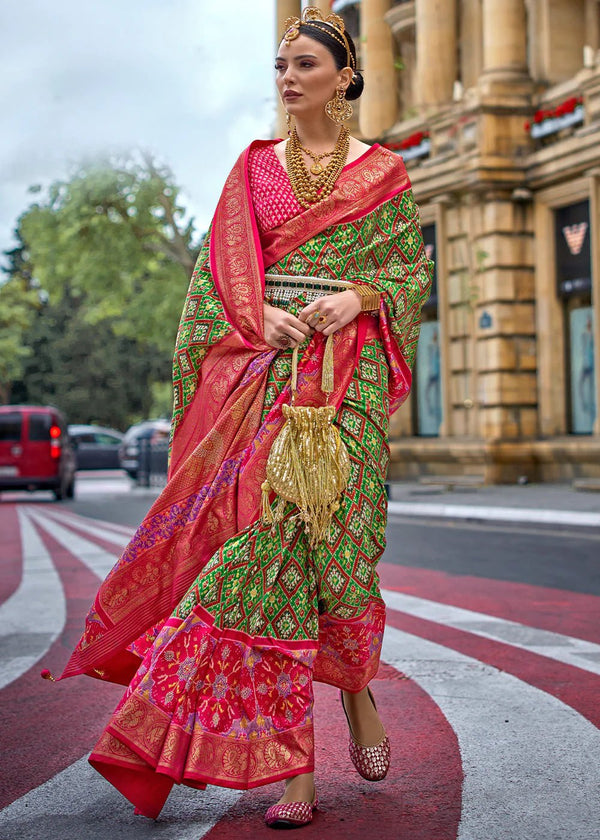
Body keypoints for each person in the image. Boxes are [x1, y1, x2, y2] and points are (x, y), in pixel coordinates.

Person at [44, 6, 433, 830]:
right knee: (267, 557)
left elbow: (408, 278)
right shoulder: (253, 170)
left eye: (304, 66)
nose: (289, 79)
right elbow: (212, 290)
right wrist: (261, 323)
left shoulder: (388, 174)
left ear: (346, 77)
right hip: (267, 381)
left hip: (348, 385)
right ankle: (296, 768)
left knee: (336, 553)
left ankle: (358, 694)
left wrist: (354, 296)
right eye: (280, 67)